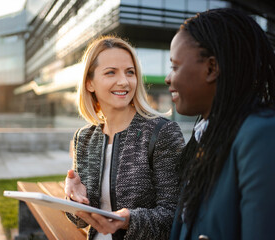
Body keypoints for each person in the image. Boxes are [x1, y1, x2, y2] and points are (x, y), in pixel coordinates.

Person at [165, 8, 275, 240]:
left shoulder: (260, 135)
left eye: (175, 67)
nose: (168, 78)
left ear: (211, 68)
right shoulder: (206, 137)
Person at [64, 35, 185, 240]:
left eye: (130, 72)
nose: (124, 81)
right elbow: (81, 221)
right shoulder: (84, 138)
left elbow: (176, 215)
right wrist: (73, 200)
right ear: (89, 83)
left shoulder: (162, 132)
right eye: (110, 72)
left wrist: (129, 220)